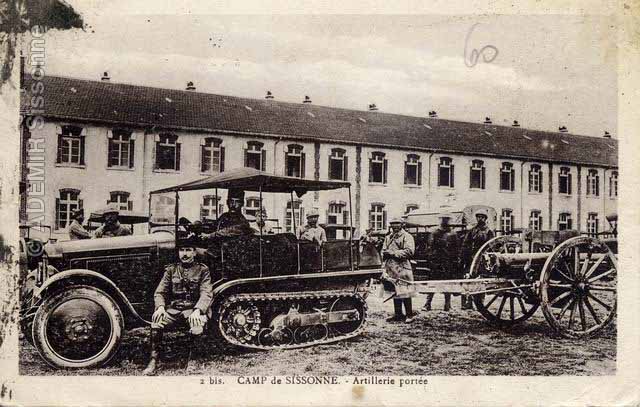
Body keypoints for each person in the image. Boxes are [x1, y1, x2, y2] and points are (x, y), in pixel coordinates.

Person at [142, 238, 213, 375]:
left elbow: (206, 293)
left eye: (188, 250)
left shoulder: (203, 270)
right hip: (174, 310)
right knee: (156, 322)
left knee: (196, 323)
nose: (184, 254)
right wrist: (161, 308)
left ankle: (194, 360)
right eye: (182, 250)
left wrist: (198, 310)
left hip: (192, 310)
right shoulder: (171, 270)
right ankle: (153, 361)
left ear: (194, 252)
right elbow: (160, 292)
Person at [381, 217, 417, 323]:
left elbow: (410, 251)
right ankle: (398, 314)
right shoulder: (388, 237)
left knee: (405, 291)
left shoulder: (407, 236)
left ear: (402, 225)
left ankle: (409, 314)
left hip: (402, 267)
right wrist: (384, 253)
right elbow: (383, 250)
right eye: (392, 224)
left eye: (397, 224)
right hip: (391, 267)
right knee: (394, 291)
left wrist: (392, 253)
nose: (394, 226)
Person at [459, 208, 495, 309]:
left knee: (481, 281)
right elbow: (465, 244)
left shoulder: (489, 232)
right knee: (468, 279)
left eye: (482, 217)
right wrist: (463, 257)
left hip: (483, 261)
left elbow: (492, 246)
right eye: (478, 217)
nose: (480, 219)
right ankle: (468, 302)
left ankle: (480, 303)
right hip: (471, 259)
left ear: (485, 219)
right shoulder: (472, 231)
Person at [424, 214, 459, 311]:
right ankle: (427, 304)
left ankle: (447, 305)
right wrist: (432, 260)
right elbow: (429, 248)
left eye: (447, 219)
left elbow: (456, 250)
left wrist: (454, 261)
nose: (445, 221)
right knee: (432, 283)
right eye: (443, 219)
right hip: (436, 263)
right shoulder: (434, 233)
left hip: (448, 263)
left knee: (448, 284)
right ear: (440, 220)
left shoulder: (453, 234)